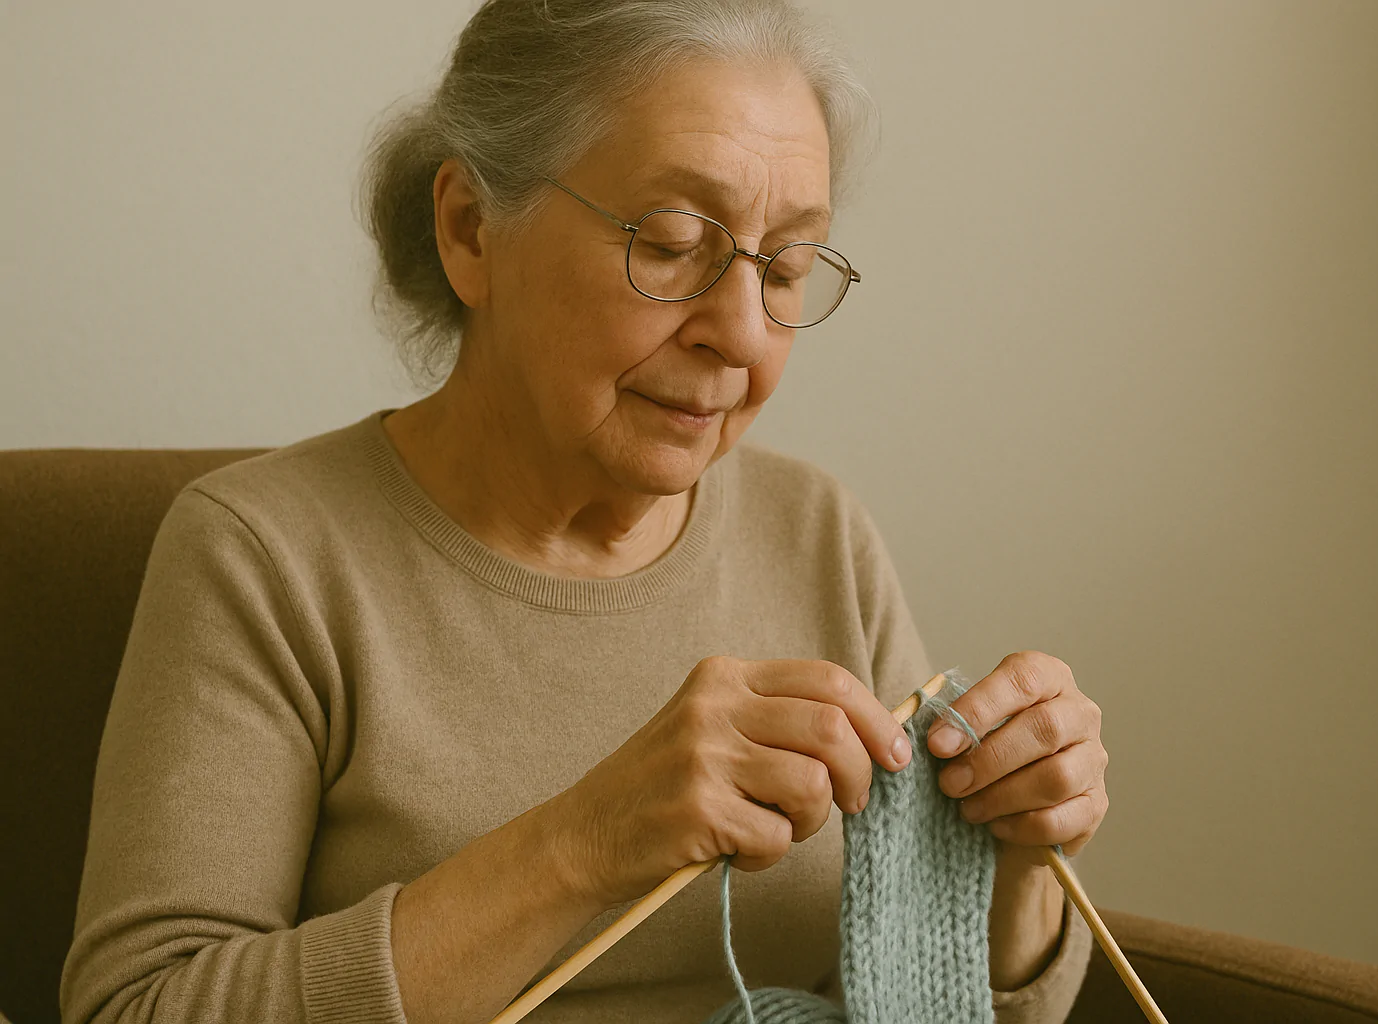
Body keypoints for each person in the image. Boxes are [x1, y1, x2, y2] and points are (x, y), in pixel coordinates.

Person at [60, 2, 1109, 1022]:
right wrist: (588, 842)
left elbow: (936, 1005)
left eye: (786, 266)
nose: (743, 334)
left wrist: (1017, 859)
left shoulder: (818, 533)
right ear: (472, 230)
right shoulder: (263, 555)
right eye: (673, 242)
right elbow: (141, 1007)